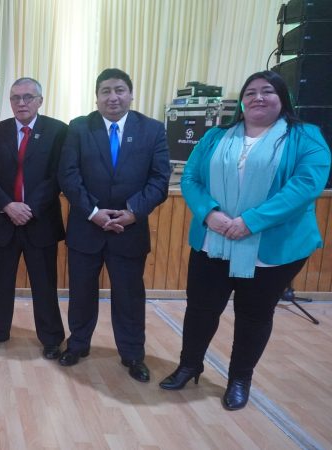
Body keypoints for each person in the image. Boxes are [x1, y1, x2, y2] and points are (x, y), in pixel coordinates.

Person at [159, 70, 331, 410]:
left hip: (271, 249)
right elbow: (191, 178)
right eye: (250, 92)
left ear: (283, 98)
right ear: (241, 100)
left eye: (267, 91)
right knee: (200, 310)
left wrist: (250, 222)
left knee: (254, 315)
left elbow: (305, 186)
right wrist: (209, 213)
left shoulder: (306, 137)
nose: (258, 97)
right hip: (213, 241)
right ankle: (189, 365)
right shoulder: (216, 136)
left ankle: (240, 378)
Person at [58, 68, 171, 382]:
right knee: (81, 293)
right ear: (96, 97)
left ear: (131, 94)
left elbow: (160, 180)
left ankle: (133, 354)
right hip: (86, 228)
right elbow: (68, 176)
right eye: (105, 91)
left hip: (129, 229)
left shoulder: (152, 129)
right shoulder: (79, 128)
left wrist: (133, 211)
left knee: (129, 297)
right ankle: (78, 344)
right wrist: (93, 211)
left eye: (119, 90)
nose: (113, 97)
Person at [0, 77, 67, 360]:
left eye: (28, 97)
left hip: (40, 220)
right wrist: (8, 205)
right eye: (15, 97)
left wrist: (28, 207)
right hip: (5, 219)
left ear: (40, 100)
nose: (21, 102)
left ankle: (51, 337)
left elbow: (58, 176)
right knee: (2, 280)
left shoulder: (58, 131)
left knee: (44, 282)